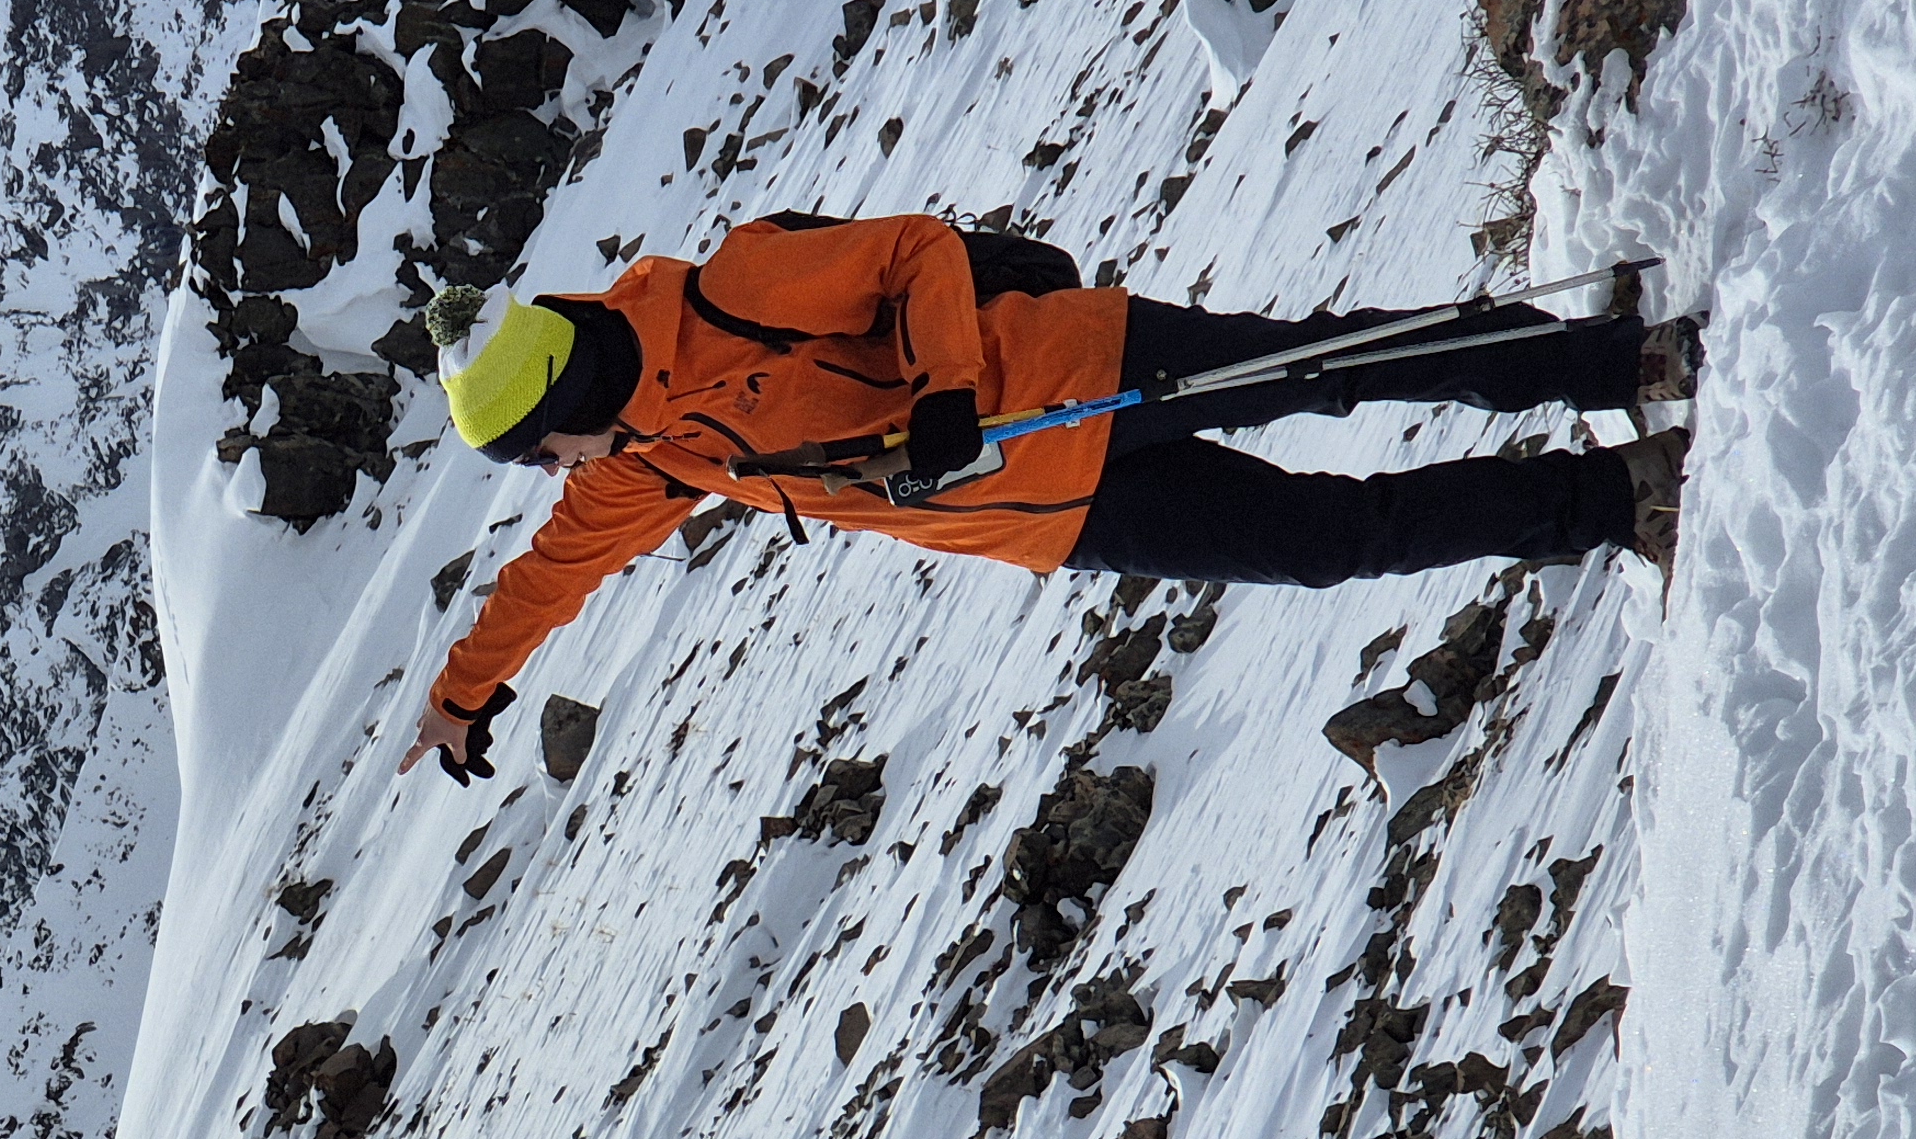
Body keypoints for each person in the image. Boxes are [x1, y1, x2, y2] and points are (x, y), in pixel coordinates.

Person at [403, 216, 1696, 780]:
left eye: (532, 450)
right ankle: (1618, 494)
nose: (549, 475)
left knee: (1328, 368)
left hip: (1082, 370)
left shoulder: (732, 291)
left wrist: (944, 390)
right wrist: (463, 697)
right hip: (1057, 518)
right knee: (1328, 542)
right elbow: (553, 574)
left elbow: (913, 253)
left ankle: (1611, 362)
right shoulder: (646, 454)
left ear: (559, 394)